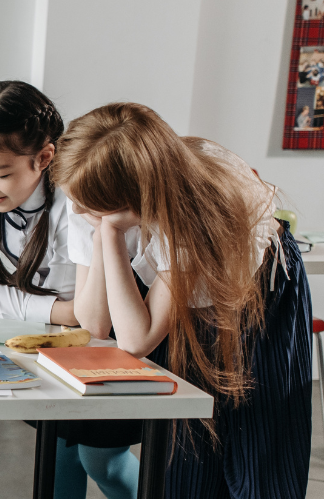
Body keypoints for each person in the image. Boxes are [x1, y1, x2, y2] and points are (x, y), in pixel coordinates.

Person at [54, 103, 311, 498]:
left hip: (261, 295)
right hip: (184, 293)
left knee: (259, 449)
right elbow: (94, 325)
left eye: (90, 207)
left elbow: (137, 341)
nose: (75, 211)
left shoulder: (194, 212)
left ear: (130, 199)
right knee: (185, 451)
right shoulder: (88, 192)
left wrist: (108, 235)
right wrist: (107, 227)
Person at [0, 81, 140, 499]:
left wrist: (67, 312)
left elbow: (98, 315)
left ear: (44, 157)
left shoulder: (78, 194)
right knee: (57, 462)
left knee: (103, 463)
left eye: (0, 173)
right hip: (49, 344)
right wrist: (62, 311)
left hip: (110, 345)